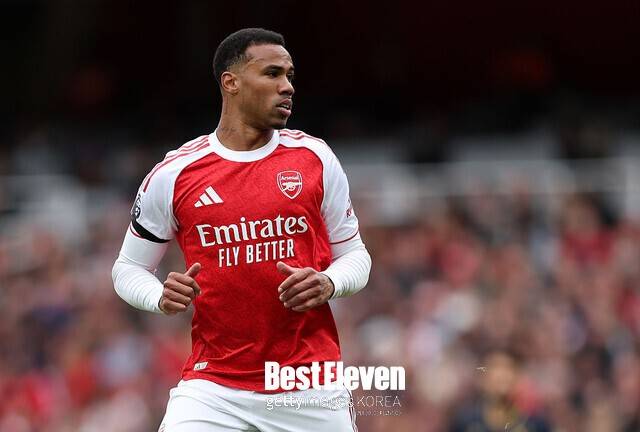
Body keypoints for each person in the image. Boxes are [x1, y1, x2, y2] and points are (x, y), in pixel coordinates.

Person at [112, 28, 371, 432]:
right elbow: (127, 269)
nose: (287, 87)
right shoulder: (175, 173)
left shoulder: (314, 158)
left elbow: (355, 255)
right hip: (213, 387)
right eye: (272, 74)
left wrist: (330, 282)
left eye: (289, 76)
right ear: (230, 82)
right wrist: (158, 295)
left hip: (307, 384)